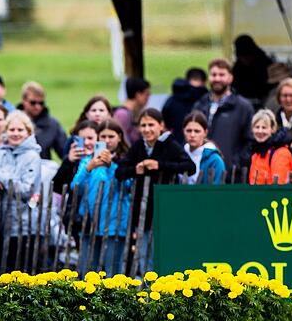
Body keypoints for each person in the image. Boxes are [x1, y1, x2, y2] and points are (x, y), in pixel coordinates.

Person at [116, 108, 195, 275]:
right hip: (142, 211)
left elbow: (190, 167)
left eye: (151, 125)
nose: (146, 129)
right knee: (144, 255)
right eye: (143, 125)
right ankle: (149, 290)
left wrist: (160, 166)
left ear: (161, 126)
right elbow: (120, 171)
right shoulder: (138, 147)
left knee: (164, 253)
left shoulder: (171, 146)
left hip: (165, 210)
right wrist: (134, 170)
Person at [0, 110, 42, 271]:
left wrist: (0, 177)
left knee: (18, 271)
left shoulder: (32, 156)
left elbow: (26, 189)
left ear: (28, 132)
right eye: (12, 129)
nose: (15, 133)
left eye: (20, 130)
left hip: (21, 225)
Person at [71, 119, 131, 275]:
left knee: (114, 272)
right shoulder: (87, 161)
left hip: (115, 224)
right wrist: (88, 168)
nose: (107, 141)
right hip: (89, 222)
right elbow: (75, 187)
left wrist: (111, 167)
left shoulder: (125, 160)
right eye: (103, 136)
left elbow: (127, 187)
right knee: (87, 270)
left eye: (111, 136)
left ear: (119, 137)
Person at [193, 58, 255, 168]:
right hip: (201, 172)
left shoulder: (243, 107)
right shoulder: (200, 105)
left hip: (231, 174)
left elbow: (250, 141)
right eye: (214, 74)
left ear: (230, 78)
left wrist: (237, 163)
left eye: (222, 75)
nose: (217, 78)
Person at [17, 81, 66, 160]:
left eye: (41, 103)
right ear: (23, 100)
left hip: (43, 169)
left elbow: (65, 154)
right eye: (33, 103)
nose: (37, 106)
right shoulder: (11, 122)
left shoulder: (52, 125)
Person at [248, 109, 292, 185]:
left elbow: (280, 186)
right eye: (257, 127)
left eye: (264, 127)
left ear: (272, 129)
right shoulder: (256, 152)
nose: (260, 131)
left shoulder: (281, 153)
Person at [162, 67, 208, 143]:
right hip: (201, 148)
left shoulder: (172, 99)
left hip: (177, 148)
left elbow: (164, 126)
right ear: (204, 82)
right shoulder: (206, 99)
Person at [52, 120, 99, 194]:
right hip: (74, 203)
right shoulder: (74, 160)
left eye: (90, 138)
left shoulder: (104, 159)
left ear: (99, 139)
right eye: (82, 139)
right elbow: (57, 187)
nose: (86, 142)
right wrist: (68, 162)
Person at [182, 111, 225, 185]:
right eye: (189, 131)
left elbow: (218, 191)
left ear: (205, 133)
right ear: (183, 131)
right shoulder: (179, 155)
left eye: (197, 131)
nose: (192, 135)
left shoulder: (215, 160)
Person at [232, 35, 273, 109]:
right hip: (242, 99)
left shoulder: (263, 62)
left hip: (262, 99)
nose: (245, 60)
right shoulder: (238, 67)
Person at [113, 77, 151, 146]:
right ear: (138, 95)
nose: (148, 98)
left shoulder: (132, 113)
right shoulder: (122, 114)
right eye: (147, 94)